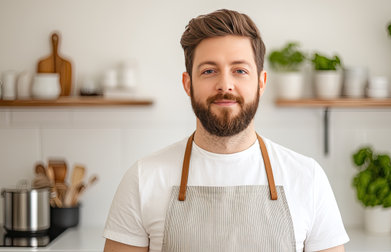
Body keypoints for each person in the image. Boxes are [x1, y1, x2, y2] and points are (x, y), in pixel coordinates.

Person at [103, 9, 349, 252]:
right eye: (209, 71)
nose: (225, 85)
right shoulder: (143, 179)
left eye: (240, 71)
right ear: (188, 84)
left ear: (261, 83)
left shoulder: (307, 178)